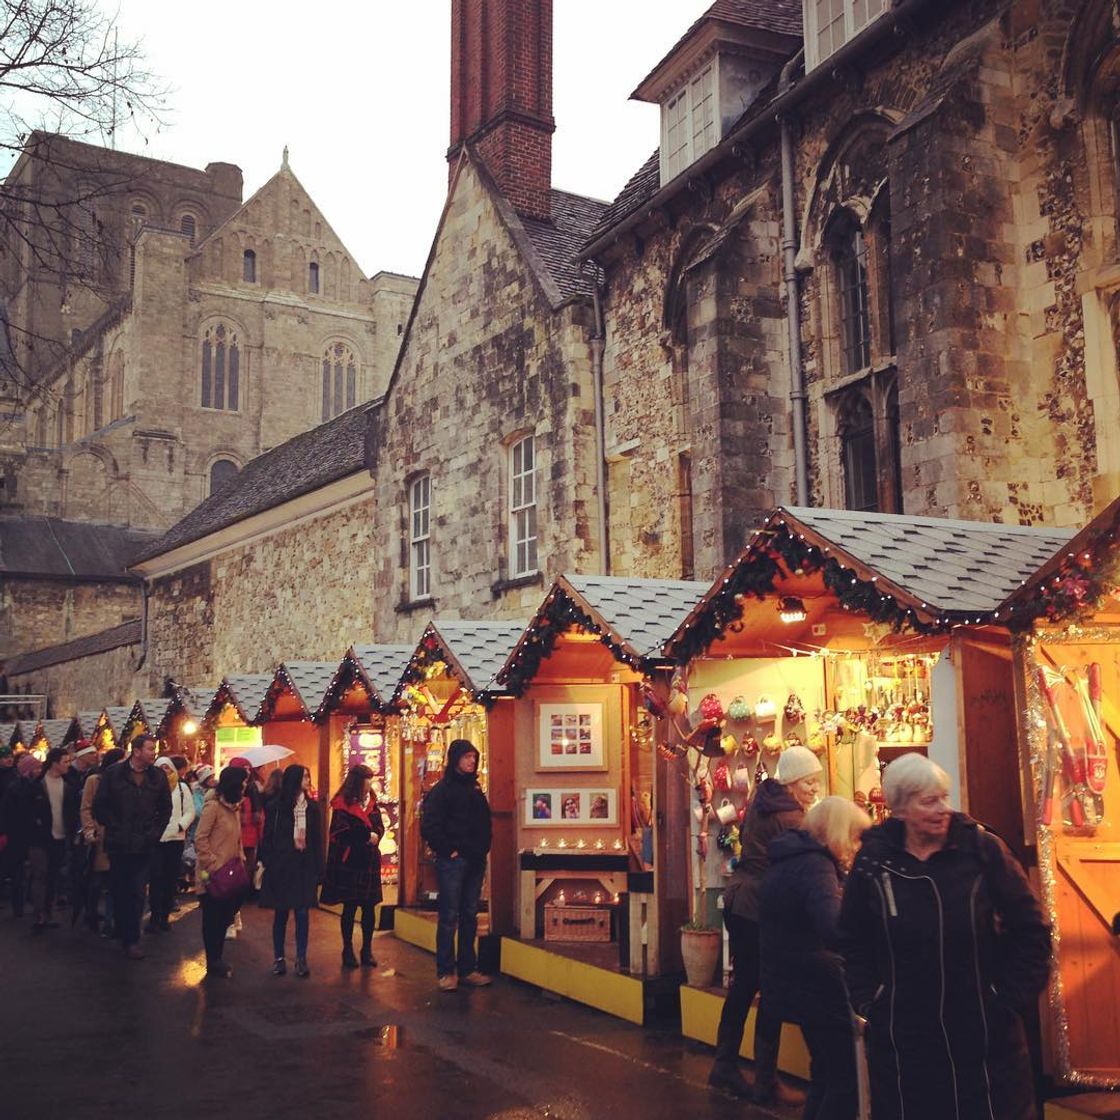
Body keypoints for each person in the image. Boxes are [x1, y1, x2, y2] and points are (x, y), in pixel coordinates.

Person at [838, 753, 1052, 1120]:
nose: (943, 810)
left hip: (983, 1036)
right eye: (929, 801)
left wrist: (1005, 999)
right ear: (900, 808)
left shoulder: (982, 849)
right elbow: (852, 938)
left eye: (944, 797)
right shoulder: (876, 862)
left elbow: (1031, 929)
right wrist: (872, 1001)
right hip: (905, 1039)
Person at [709, 744, 822, 1103]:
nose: (815, 789)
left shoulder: (764, 802)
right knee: (769, 989)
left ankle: (725, 1065)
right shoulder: (791, 818)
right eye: (810, 783)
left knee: (745, 985)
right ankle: (765, 1081)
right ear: (791, 782)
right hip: (759, 908)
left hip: (741, 900)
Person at [760, 796, 871, 1120]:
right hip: (818, 985)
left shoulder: (789, 859)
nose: (853, 845)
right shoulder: (816, 867)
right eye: (852, 835)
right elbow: (834, 927)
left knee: (824, 1072)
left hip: (794, 981)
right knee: (843, 1079)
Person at [419, 738, 493, 992]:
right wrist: (447, 850)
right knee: (449, 915)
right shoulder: (442, 791)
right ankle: (446, 970)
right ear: (455, 759)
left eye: (474, 757)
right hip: (453, 861)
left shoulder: (475, 790)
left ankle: (467, 968)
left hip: (474, 859)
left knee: (470, 914)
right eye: (466, 757)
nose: (471, 761)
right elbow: (429, 824)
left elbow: (484, 822)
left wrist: (483, 849)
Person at [93, 733, 172, 960]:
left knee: (138, 891)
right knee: (119, 890)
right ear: (137, 751)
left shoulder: (157, 776)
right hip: (119, 844)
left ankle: (132, 939)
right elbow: (101, 804)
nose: (153, 752)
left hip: (144, 844)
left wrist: (155, 832)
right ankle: (121, 929)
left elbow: (165, 808)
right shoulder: (114, 774)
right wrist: (114, 825)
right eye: (149, 749)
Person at [258, 764, 323, 978]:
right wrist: (266, 860)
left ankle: (301, 958)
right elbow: (267, 836)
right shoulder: (276, 806)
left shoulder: (312, 808)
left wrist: (318, 868)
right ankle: (279, 958)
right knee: (281, 913)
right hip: (282, 865)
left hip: (303, 864)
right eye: (304, 776)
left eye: (308, 776)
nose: (307, 779)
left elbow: (316, 839)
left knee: (302, 913)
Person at [321, 763, 384, 970]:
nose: (370, 784)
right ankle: (347, 949)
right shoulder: (342, 804)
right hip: (352, 862)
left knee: (369, 907)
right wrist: (367, 836)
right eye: (367, 780)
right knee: (350, 907)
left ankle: (367, 949)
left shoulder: (372, 803)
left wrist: (377, 835)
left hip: (369, 862)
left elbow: (380, 826)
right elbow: (339, 832)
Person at [194, 765, 248, 979]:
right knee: (213, 916)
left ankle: (217, 956)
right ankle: (213, 959)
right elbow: (200, 838)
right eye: (243, 781)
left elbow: (237, 838)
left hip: (232, 871)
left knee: (227, 912)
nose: (245, 785)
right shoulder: (213, 807)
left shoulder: (235, 807)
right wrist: (212, 864)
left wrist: (240, 858)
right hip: (213, 874)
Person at [147, 756, 195, 932]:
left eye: (167, 768)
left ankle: (164, 915)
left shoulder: (181, 788)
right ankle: (154, 915)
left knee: (169, 878)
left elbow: (190, 811)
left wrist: (180, 825)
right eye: (161, 768)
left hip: (175, 839)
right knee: (155, 879)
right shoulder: (151, 787)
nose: (165, 772)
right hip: (156, 839)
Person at [79, 747, 124, 935]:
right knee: (97, 880)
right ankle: (91, 913)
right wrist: (90, 829)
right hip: (100, 835)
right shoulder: (94, 780)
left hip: (119, 836)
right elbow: (86, 807)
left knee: (116, 881)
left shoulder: (125, 781)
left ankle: (110, 921)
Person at [27, 747, 71, 933]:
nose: (68, 765)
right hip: (40, 838)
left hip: (60, 836)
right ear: (54, 763)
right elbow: (27, 813)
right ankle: (39, 915)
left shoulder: (68, 784)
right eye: (65, 762)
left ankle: (49, 912)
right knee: (41, 875)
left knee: (53, 876)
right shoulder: (37, 785)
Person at [1, 753, 42, 917]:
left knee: (31, 870)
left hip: (30, 833)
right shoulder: (16, 787)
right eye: (37, 767)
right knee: (17, 869)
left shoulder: (37, 785)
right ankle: (18, 904)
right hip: (17, 834)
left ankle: (28, 901)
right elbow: (8, 812)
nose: (40, 770)